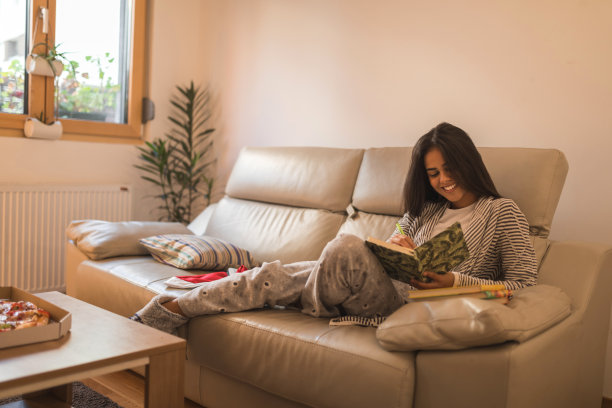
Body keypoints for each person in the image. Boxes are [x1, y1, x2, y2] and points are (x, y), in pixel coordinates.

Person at [131, 122, 537, 334]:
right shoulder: (425, 212)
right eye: (433, 173)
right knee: (275, 273)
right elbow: (393, 248)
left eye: (449, 168)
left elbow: (521, 286)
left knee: (343, 246)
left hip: (414, 304)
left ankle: (185, 306)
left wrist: (452, 281)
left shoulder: (502, 212)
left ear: (469, 162)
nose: (442, 180)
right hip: (377, 284)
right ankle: (175, 308)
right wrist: (395, 245)